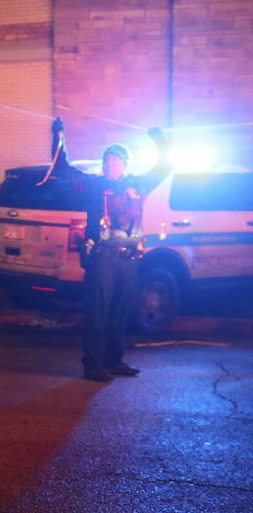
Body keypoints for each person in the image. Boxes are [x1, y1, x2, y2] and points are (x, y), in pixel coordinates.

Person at [49, 117, 170, 381]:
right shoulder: (93, 185)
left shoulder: (138, 185)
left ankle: (114, 360)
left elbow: (165, 165)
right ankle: (92, 365)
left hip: (129, 260)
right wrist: (58, 137)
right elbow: (63, 169)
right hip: (102, 258)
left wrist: (160, 140)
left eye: (115, 160)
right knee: (97, 312)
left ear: (125, 164)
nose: (110, 165)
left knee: (120, 311)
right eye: (107, 161)